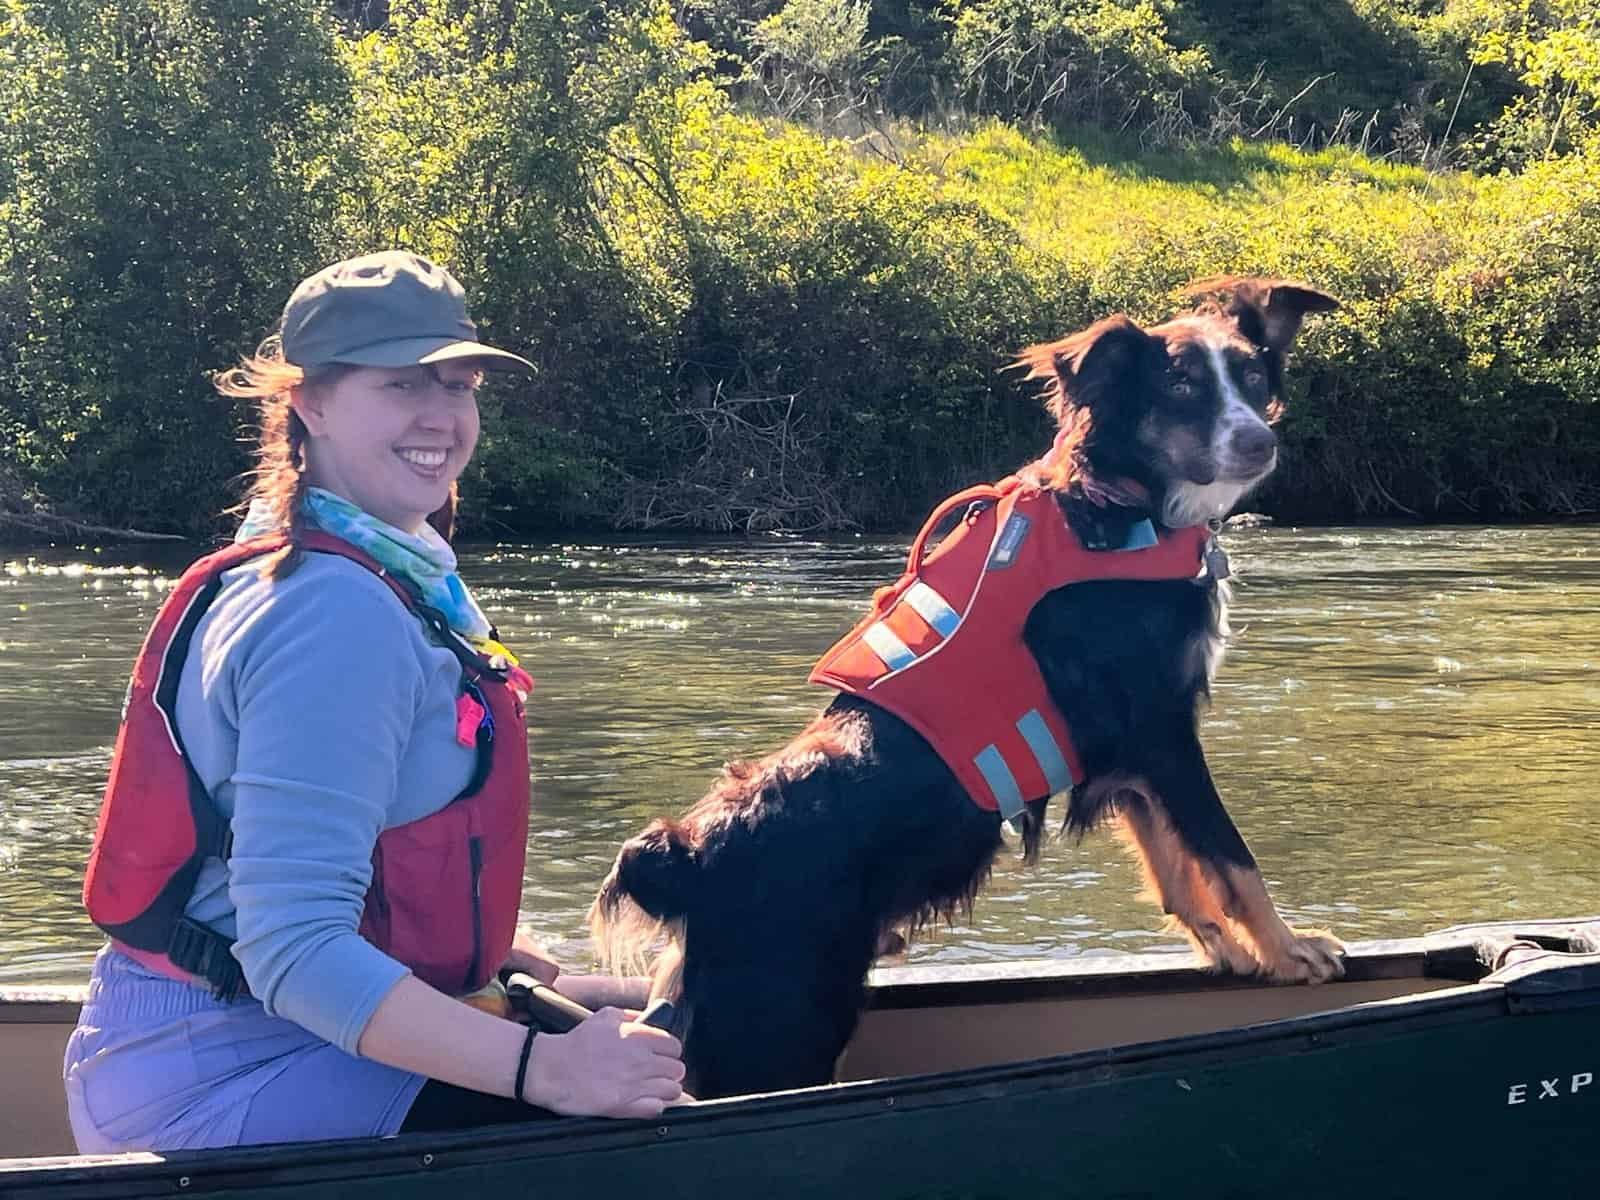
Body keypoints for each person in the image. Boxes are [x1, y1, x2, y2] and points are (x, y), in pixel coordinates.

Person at [63, 251, 685, 1152]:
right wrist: (543, 1070)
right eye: (401, 385)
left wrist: (463, 955)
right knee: (655, 1137)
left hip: (243, 1041)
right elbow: (293, 951)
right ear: (309, 403)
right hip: (228, 1075)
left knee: (678, 1029)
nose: (441, 416)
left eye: (459, 385)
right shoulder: (333, 612)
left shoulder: (342, 563)